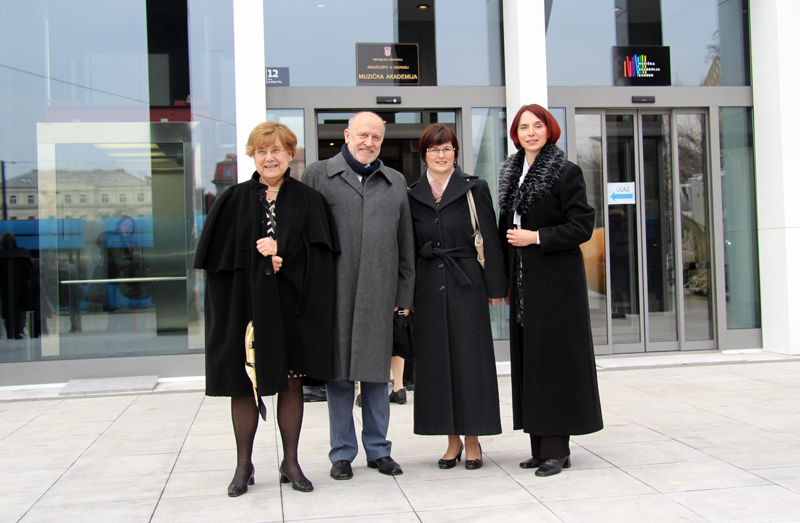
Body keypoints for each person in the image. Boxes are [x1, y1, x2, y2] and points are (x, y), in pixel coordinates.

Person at [193, 122, 339, 496]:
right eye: (262, 151)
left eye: (276, 150)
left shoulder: (309, 200)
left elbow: (322, 260)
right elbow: (218, 265)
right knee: (244, 384)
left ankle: (290, 463)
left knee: (292, 382)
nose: (269, 158)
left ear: (290, 154)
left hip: (292, 309)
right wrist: (257, 265)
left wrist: (284, 256)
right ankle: (244, 465)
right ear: (253, 156)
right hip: (245, 309)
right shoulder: (232, 201)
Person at [303, 111, 415, 480]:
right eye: (363, 134)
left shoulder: (395, 182)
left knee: (376, 377)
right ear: (347, 135)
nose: (369, 142)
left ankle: (379, 450)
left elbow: (405, 244)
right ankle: (341, 453)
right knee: (338, 377)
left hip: (380, 294)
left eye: (376, 137)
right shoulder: (318, 175)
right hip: (333, 293)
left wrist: (405, 295)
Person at [498, 104, 603, 477]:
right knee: (531, 362)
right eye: (523, 127)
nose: (530, 133)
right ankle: (540, 446)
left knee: (554, 363)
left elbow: (582, 226)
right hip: (524, 283)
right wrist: (505, 281)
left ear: (549, 130)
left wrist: (537, 237)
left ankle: (557, 450)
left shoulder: (565, 171)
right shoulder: (512, 174)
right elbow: (504, 231)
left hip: (557, 285)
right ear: (516, 134)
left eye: (537, 126)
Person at [408, 124, 507, 469]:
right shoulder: (412, 193)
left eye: (447, 148)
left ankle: (473, 438)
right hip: (427, 287)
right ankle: (452, 440)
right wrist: (407, 295)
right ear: (424, 155)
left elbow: (490, 237)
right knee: (437, 365)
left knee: (471, 362)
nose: (441, 155)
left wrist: (496, 287)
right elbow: (406, 247)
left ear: (455, 152)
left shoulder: (474, 188)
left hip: (467, 284)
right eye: (434, 149)